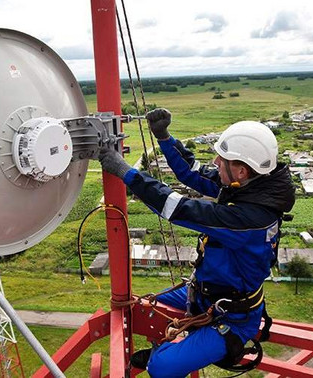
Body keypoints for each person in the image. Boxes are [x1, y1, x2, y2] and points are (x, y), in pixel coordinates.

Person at [99, 108, 295, 377]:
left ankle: (160, 354)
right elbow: (193, 173)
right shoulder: (251, 188)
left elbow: (177, 207)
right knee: (146, 310)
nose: (215, 161)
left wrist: (126, 173)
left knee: (161, 367)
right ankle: (170, 344)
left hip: (232, 315)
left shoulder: (249, 219)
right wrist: (165, 138)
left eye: (221, 159)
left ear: (240, 170)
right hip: (205, 292)